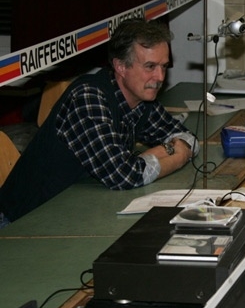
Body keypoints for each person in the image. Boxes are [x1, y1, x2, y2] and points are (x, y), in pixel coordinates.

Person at [0, 18, 199, 228]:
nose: (159, 77)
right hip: (21, 224)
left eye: (163, 66)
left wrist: (160, 153)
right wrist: (177, 156)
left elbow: (189, 139)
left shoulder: (141, 99)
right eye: (150, 66)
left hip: (71, 214)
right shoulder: (88, 98)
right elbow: (125, 175)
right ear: (120, 66)